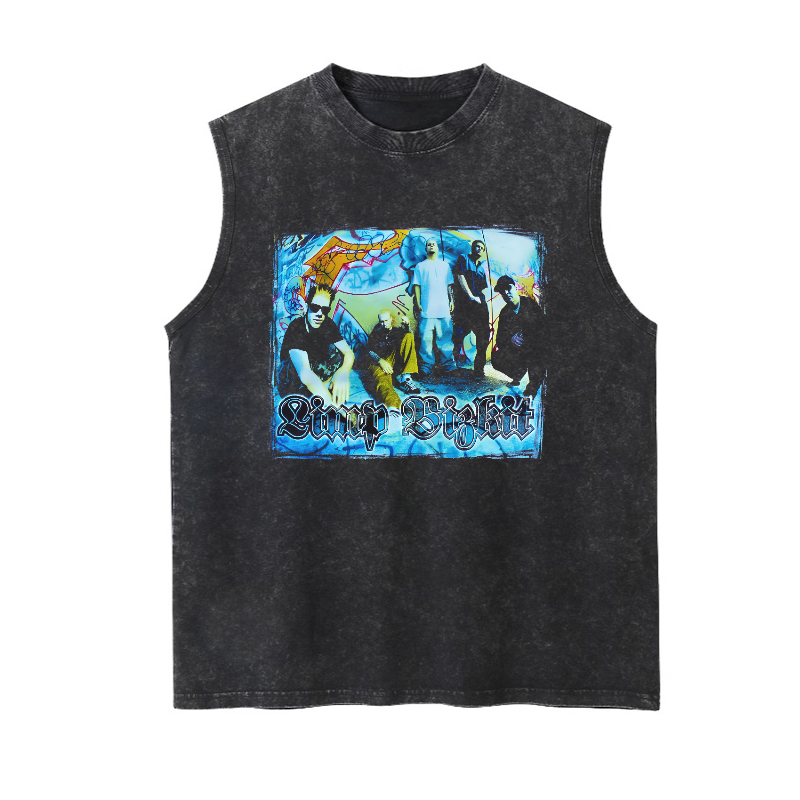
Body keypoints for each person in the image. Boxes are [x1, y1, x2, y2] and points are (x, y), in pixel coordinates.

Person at [276, 282, 354, 406]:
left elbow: (349, 353)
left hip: (314, 370)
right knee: (294, 369)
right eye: (315, 308)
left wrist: (343, 373)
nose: (319, 314)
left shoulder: (328, 324)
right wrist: (335, 408)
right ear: (307, 306)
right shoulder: (297, 327)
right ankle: (320, 396)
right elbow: (305, 373)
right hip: (292, 380)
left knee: (337, 354)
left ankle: (322, 389)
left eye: (325, 310)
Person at [409, 237, 456, 377]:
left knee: (445, 339)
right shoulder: (420, 266)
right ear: (425, 249)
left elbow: (449, 285)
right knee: (425, 340)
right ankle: (426, 366)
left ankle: (449, 366)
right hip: (427, 308)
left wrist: (452, 300)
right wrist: (418, 303)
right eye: (429, 244)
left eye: (433, 244)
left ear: (437, 248)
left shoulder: (445, 266)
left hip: (443, 308)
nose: (431, 246)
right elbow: (416, 285)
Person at [492, 275, 546, 397]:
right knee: (496, 358)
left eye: (508, 288)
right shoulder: (504, 313)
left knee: (538, 352)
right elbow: (499, 340)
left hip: (533, 348)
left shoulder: (530, 305)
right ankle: (518, 373)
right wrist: (511, 339)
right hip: (518, 352)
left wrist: (529, 337)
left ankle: (534, 384)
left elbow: (543, 329)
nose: (506, 293)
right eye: (502, 291)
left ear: (516, 287)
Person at [363, 308, 421, 408]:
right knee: (383, 384)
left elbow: (409, 339)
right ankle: (395, 408)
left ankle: (406, 378)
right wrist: (380, 361)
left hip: (394, 360)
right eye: (381, 321)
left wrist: (407, 326)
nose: (384, 324)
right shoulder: (376, 332)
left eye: (386, 320)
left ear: (391, 319)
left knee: (408, 336)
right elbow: (370, 351)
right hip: (379, 362)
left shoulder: (397, 331)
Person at [453, 239, 492, 377]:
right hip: (464, 304)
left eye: (482, 248)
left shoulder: (481, 268)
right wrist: (470, 295)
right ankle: (452, 366)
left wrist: (481, 301)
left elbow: (483, 288)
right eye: (477, 247)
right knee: (458, 334)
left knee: (484, 335)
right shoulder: (464, 258)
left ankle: (479, 369)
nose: (479, 249)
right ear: (472, 248)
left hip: (479, 305)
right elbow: (460, 276)